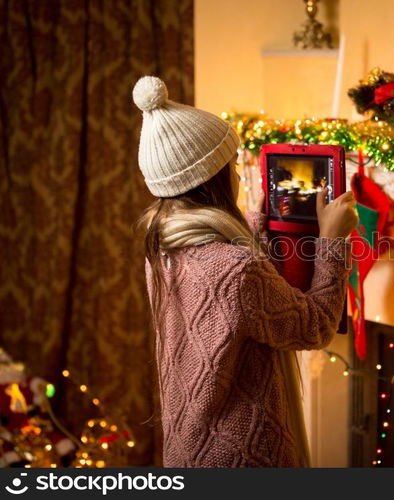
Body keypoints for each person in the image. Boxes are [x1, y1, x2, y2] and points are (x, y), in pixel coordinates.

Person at [133, 76, 358, 467]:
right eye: (233, 165)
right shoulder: (238, 270)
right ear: (215, 178)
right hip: (242, 456)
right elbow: (317, 327)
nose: (239, 174)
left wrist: (260, 223)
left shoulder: (163, 248)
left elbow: (220, 293)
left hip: (189, 448)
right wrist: (333, 241)